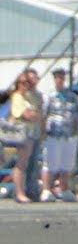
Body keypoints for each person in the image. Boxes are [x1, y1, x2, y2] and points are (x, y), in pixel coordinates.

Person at [41, 67, 78, 202]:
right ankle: (46, 190)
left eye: (61, 77)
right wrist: (43, 133)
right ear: (54, 79)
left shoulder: (72, 97)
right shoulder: (49, 96)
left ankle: (64, 189)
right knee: (50, 163)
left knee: (66, 163)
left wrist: (75, 132)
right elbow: (43, 116)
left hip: (69, 135)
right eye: (57, 77)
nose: (59, 80)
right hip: (53, 134)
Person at [8, 69, 44, 203]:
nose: (25, 85)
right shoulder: (17, 97)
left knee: (30, 164)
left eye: (27, 82)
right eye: (23, 82)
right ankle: (19, 192)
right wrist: (34, 115)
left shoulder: (30, 97)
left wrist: (34, 115)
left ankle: (27, 190)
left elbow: (39, 113)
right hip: (22, 133)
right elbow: (26, 114)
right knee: (21, 164)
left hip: (32, 133)